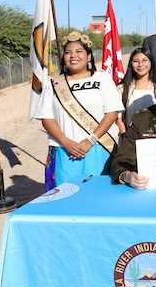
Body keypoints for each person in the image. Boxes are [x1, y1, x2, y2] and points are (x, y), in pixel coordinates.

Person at [35, 31, 123, 191]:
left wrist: (90, 140)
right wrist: (66, 142)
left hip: (99, 148)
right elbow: (46, 118)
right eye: (68, 52)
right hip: (64, 150)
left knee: (99, 194)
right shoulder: (54, 84)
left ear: (89, 56)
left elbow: (112, 113)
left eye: (79, 51)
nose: (73, 56)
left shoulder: (102, 79)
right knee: (64, 195)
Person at [116, 47, 156, 135]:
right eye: (136, 61)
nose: (140, 64)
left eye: (144, 60)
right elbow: (118, 119)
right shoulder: (122, 89)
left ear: (151, 62)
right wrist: (126, 138)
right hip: (129, 139)